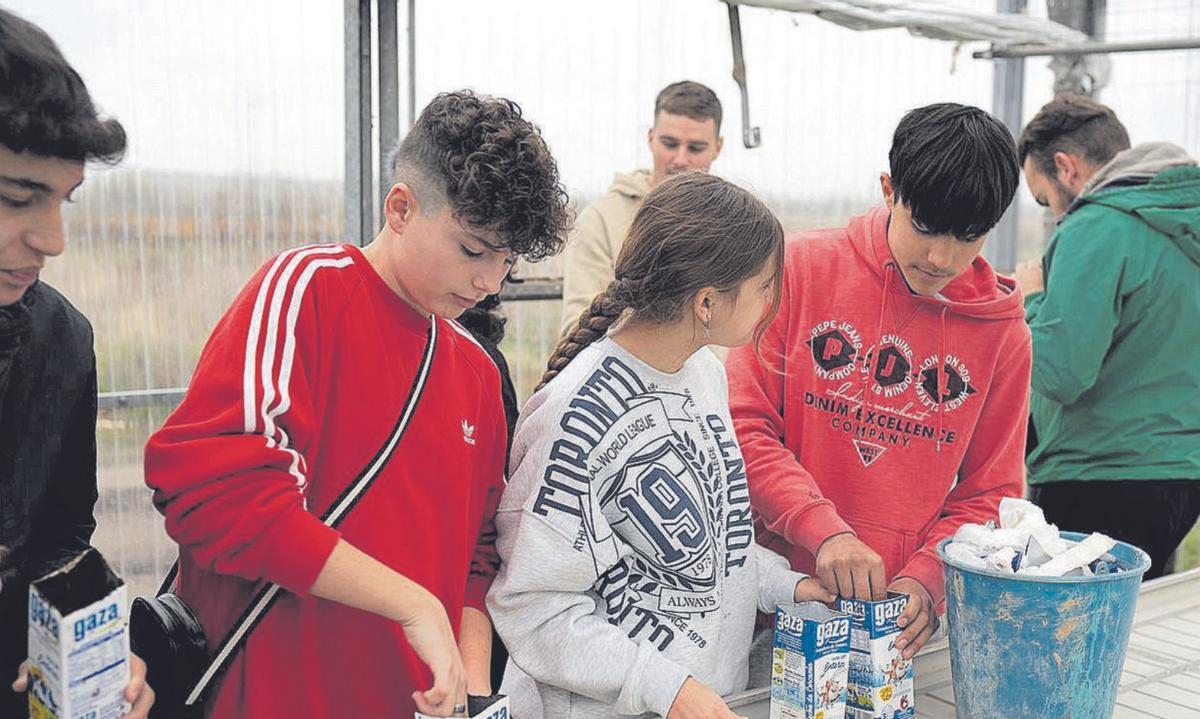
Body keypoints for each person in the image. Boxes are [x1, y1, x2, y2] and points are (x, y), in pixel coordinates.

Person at [143, 90, 571, 718]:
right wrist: (410, 603)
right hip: (269, 694)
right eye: (473, 250)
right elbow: (218, 494)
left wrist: (473, 689)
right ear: (401, 208)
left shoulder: (477, 371)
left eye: (506, 262)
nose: (489, 283)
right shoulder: (307, 290)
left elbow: (479, 550)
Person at [489, 172, 834, 719]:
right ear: (706, 302)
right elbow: (535, 607)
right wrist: (664, 687)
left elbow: (712, 548)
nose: (774, 299)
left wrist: (788, 588)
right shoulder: (574, 417)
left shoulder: (701, 372)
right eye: (765, 284)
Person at [728, 103, 1030, 673]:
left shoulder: (1004, 335)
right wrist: (822, 531)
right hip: (776, 602)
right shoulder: (800, 269)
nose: (942, 257)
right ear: (889, 190)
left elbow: (991, 492)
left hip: (898, 628)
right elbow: (743, 426)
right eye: (925, 227)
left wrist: (928, 579)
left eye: (968, 237)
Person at [0, 8, 153, 718]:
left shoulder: (61, 340)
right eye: (16, 197)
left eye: (65, 202)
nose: (53, 238)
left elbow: (62, 542)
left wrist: (101, 644)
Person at [1014, 94, 1200, 579]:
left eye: (1043, 197)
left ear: (1066, 167)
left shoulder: (1096, 225)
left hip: (1097, 471)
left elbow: (1061, 371)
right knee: (1137, 631)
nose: (1053, 213)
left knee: (1072, 639)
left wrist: (1032, 299)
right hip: (1181, 473)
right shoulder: (1183, 225)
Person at [559, 81, 723, 335]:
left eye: (695, 148)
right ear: (651, 138)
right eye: (669, 144)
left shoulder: (732, 226)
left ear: (718, 148)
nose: (680, 159)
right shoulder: (602, 219)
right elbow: (578, 329)